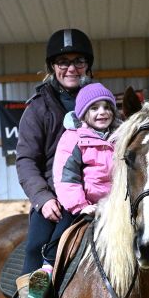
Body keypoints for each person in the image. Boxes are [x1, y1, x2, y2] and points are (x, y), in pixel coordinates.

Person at [15, 28, 94, 298]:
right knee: (36, 248)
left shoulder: (101, 102)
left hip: (98, 195)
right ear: (52, 67)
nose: (71, 68)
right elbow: (26, 160)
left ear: (87, 65)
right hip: (56, 199)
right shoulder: (38, 108)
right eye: (63, 62)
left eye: (78, 61)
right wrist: (43, 198)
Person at [52, 82, 120, 217]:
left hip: (120, 205)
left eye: (107, 107)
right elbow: (66, 176)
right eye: (94, 108)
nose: (102, 112)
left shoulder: (122, 136)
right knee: (62, 230)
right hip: (89, 205)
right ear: (83, 114)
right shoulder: (73, 138)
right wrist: (80, 206)